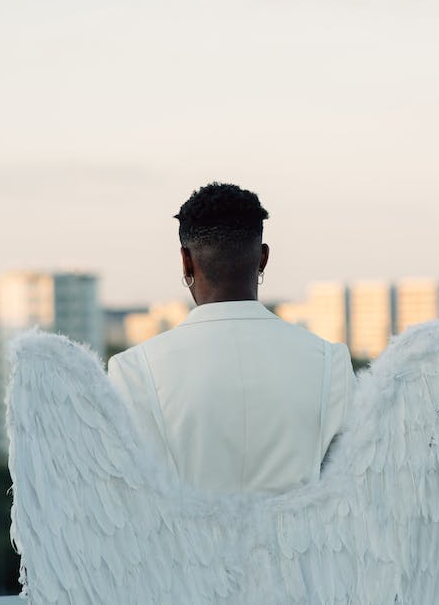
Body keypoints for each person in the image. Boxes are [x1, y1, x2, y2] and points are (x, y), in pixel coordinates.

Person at [107, 183, 356, 494]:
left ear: (186, 261)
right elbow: (349, 492)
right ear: (263, 258)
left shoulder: (132, 371)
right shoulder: (331, 364)